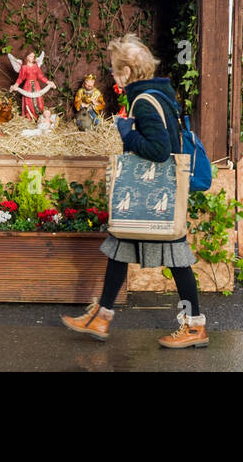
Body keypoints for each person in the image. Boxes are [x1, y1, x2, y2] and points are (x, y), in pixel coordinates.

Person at [61, 33, 208, 349]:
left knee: (175, 256)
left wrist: (127, 133)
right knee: (120, 247)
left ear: (127, 73)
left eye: (115, 71)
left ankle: (194, 326)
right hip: (155, 194)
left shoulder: (143, 101)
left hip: (156, 194)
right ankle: (102, 316)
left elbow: (159, 149)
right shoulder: (158, 93)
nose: (112, 76)